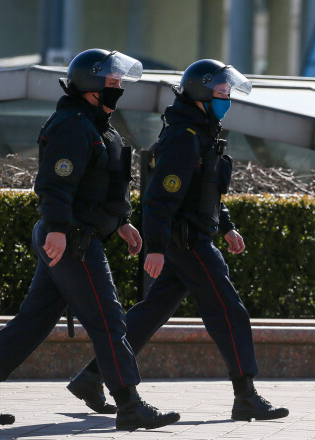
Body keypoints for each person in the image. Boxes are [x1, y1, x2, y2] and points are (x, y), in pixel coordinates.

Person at [0, 48, 180, 432]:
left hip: (72, 234)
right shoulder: (73, 124)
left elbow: (101, 186)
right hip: (70, 238)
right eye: (112, 83)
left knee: (35, 319)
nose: (119, 88)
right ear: (92, 85)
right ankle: (129, 404)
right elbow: (56, 182)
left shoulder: (96, 124)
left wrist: (122, 222)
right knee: (109, 320)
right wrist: (57, 227)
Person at [67, 59, 289, 422]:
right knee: (229, 312)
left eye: (227, 94)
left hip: (193, 237)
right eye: (220, 94)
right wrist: (155, 246)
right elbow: (159, 199)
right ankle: (245, 395)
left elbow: (206, 193)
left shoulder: (200, 133)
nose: (226, 100)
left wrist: (227, 226)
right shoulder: (183, 138)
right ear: (201, 94)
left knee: (153, 311)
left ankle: (91, 377)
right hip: (188, 243)